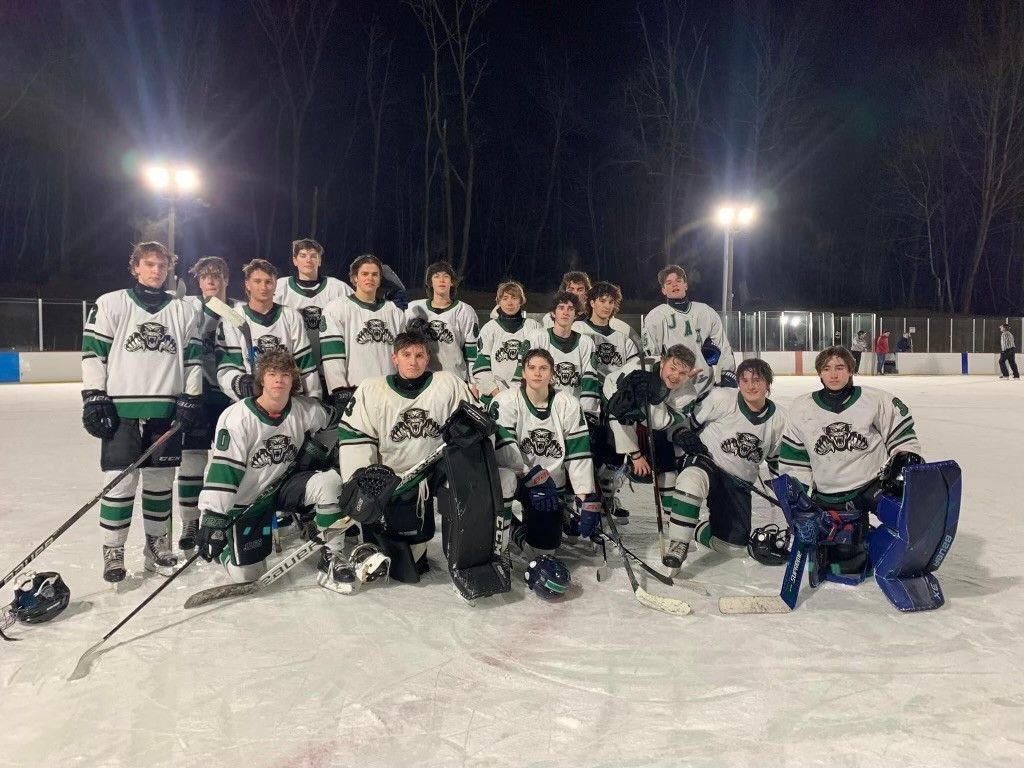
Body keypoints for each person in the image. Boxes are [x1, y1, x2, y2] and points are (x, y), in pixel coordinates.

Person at [81, 241, 203, 582]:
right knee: (118, 483)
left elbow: (193, 359)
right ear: (135, 267)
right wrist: (94, 395)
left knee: (160, 483)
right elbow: (93, 353)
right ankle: (114, 549)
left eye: (162, 266)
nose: (156, 271)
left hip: (165, 409)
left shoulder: (183, 310)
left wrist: (191, 397)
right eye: (149, 264)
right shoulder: (111, 303)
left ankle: (156, 545)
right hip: (122, 411)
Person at [335, 331, 487, 585]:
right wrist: (362, 479)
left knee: (417, 562)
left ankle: (462, 549)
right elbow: (354, 434)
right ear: (395, 358)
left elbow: (476, 420)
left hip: (432, 472)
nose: (413, 361)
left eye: (419, 355)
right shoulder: (372, 389)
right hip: (389, 477)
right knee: (394, 561)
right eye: (406, 355)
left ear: (428, 358)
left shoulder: (447, 383)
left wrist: (468, 430)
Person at [196, 349, 346, 585]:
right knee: (247, 576)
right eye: (272, 373)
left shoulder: (305, 409)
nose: (279, 379)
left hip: (283, 488)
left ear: (293, 380)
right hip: (245, 502)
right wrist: (214, 518)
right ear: (261, 379)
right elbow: (225, 471)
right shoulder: (237, 417)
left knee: (330, 483)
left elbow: (335, 420)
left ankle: (333, 555)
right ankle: (229, 547)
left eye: (285, 374)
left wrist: (317, 451)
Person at [778, 345, 923, 577]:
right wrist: (800, 498)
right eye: (827, 369)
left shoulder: (875, 400)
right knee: (844, 569)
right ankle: (860, 539)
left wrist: (903, 457)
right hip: (829, 494)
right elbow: (795, 459)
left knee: (909, 518)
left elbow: (902, 436)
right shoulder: (801, 407)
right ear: (820, 373)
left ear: (850, 370)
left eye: (840, 367)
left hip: (872, 485)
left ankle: (873, 538)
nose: (833, 374)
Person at [655, 359, 786, 568]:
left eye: (757, 380)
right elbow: (683, 423)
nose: (750, 386)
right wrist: (681, 434)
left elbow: (776, 463)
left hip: (739, 482)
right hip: (708, 463)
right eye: (744, 380)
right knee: (691, 480)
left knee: (735, 548)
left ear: (768, 384)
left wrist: (789, 501)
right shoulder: (722, 398)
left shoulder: (779, 418)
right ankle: (679, 543)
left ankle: (693, 526)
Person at [491, 348, 598, 558]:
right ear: (523, 372)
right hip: (516, 478)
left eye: (543, 368)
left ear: (552, 374)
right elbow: (504, 448)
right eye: (531, 368)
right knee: (502, 486)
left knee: (543, 551)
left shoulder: (568, 403)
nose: (537, 373)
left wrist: (585, 495)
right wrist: (530, 476)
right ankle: (504, 521)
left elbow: (579, 452)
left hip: (550, 487)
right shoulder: (505, 401)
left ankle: (517, 531)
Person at [603, 344, 702, 534]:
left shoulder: (688, 393)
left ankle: (671, 513)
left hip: (652, 419)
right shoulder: (635, 371)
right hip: (613, 402)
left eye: (682, 373)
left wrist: (657, 396)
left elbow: (660, 424)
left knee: (666, 457)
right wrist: (636, 455)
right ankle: (606, 496)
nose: (675, 376)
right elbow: (619, 413)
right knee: (610, 455)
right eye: (672, 368)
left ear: (689, 374)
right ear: (662, 362)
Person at [176, 256, 237, 551]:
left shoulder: (238, 311)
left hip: (231, 397)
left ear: (226, 279)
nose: (210, 281)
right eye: (204, 277)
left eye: (216, 275)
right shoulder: (187, 307)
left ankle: (230, 515)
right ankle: (190, 521)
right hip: (197, 397)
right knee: (192, 460)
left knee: (235, 460)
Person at [573, 280, 640, 520]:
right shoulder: (577, 329)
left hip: (614, 403)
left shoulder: (624, 338)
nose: (606, 306)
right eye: (601, 301)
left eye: (611, 302)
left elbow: (633, 371)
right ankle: (580, 499)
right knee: (586, 451)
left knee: (614, 453)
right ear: (591, 302)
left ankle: (607, 496)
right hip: (585, 399)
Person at [216, 259, 321, 402]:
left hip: (288, 398)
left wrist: (314, 397)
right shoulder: (232, 318)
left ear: (275, 284)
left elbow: (305, 364)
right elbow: (227, 367)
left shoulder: (291, 317)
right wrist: (239, 383)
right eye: (257, 281)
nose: (263, 287)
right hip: (248, 401)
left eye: (268, 282)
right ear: (247, 284)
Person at [320, 254, 406, 415]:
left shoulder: (394, 311)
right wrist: (339, 390)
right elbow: (332, 355)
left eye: (375, 274)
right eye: (364, 274)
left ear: (380, 279)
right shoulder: (336, 309)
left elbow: (403, 354)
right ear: (354, 278)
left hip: (391, 391)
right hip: (356, 392)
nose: (370, 278)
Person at [273, 238, 353, 393]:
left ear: (320, 260)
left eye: (313, 255)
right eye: (302, 255)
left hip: (332, 369)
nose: (308, 259)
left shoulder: (338, 288)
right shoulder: (280, 288)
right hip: (295, 370)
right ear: (295, 261)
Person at [642, 265, 737, 394]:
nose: (674, 285)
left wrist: (727, 372)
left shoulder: (705, 311)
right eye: (669, 283)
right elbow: (650, 355)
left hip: (706, 388)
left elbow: (723, 346)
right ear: (663, 290)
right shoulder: (656, 316)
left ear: (685, 285)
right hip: (674, 393)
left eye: (678, 281)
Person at [516, 292, 601, 420]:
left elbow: (589, 383)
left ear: (576, 314)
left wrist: (588, 415)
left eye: (570, 309)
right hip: (539, 408)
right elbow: (522, 375)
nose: (565, 312)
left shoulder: (586, 343)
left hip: (573, 411)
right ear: (553, 313)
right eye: (561, 308)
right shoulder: (537, 337)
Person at [405, 260, 479, 382]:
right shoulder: (414, 309)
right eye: (436, 276)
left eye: (446, 276)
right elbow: (400, 345)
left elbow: (472, 352)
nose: (441, 280)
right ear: (430, 282)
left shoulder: (464, 310)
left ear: (452, 282)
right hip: (422, 380)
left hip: (455, 379)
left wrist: (474, 382)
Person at [473, 280, 542, 406]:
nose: (509, 302)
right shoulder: (489, 328)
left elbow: (540, 363)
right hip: (496, 395)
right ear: (499, 302)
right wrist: (496, 393)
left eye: (514, 298)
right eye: (505, 298)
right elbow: (481, 367)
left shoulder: (533, 327)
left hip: (526, 396)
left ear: (521, 301)